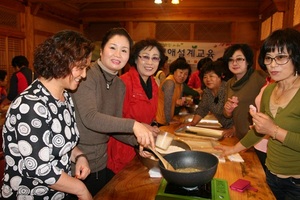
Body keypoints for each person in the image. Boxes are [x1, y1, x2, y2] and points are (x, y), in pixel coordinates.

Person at [1, 30, 94, 200]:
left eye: (86, 68)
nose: (84, 74)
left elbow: (62, 143)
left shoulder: (65, 96)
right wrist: (81, 189)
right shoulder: (30, 105)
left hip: (59, 194)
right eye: (80, 68)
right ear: (60, 62)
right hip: (29, 195)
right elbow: (40, 170)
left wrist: (79, 156)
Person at [216, 28, 300, 200]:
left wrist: (274, 130)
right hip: (270, 174)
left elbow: (270, 129)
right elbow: (259, 130)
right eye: (269, 58)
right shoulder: (269, 90)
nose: (273, 64)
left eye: (281, 57)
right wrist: (233, 149)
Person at [71, 28, 156, 196]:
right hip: (77, 163)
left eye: (124, 50)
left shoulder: (119, 85)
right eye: (113, 48)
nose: (118, 54)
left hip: (101, 163)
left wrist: (137, 141)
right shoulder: (87, 76)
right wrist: (134, 125)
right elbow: (90, 118)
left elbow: (113, 127)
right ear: (101, 51)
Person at [107, 39, 165, 174]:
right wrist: (143, 126)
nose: (150, 62)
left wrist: (153, 125)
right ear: (135, 58)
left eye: (155, 58)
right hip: (121, 149)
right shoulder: (123, 83)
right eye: (145, 57)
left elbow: (150, 115)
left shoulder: (154, 84)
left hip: (143, 147)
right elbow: (114, 121)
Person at [223, 44, 267, 139]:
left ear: (248, 61)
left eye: (239, 59)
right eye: (231, 60)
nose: (234, 63)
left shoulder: (260, 78)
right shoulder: (229, 83)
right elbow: (227, 115)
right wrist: (228, 111)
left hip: (258, 138)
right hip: (240, 137)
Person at [180, 60, 234, 137]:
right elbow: (202, 109)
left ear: (220, 76)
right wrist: (193, 123)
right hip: (226, 129)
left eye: (211, 76)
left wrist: (234, 129)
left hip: (237, 130)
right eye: (205, 77)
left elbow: (240, 113)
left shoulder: (228, 90)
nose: (208, 79)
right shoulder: (207, 92)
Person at [156, 57, 191, 126]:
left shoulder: (181, 84)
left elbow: (178, 100)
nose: (182, 76)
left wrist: (180, 102)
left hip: (168, 118)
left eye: (186, 74)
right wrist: (169, 121)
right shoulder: (170, 83)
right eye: (180, 72)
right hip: (160, 120)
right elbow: (167, 104)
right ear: (174, 71)